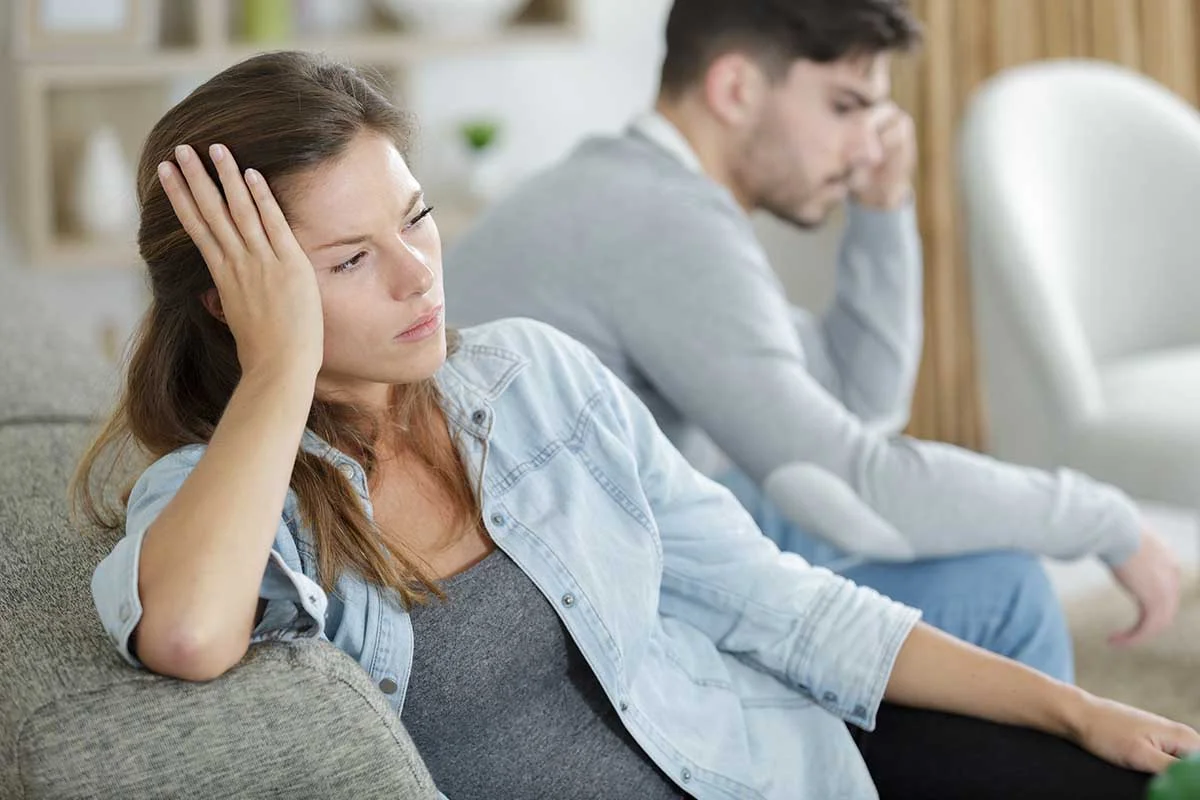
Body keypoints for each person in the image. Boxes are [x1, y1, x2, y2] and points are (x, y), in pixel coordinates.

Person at [77, 51, 1198, 800]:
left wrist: (1078, 702)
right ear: (242, 297)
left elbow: (776, 600)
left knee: (1122, 768)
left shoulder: (532, 376)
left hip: (767, 767)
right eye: (352, 260)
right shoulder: (214, 496)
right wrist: (282, 369)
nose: (422, 275)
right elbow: (185, 634)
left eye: (415, 217)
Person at [443, 0, 1182, 683]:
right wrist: (1102, 516)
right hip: (571, 611)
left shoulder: (635, 189)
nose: (867, 146)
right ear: (735, 89)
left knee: (856, 511)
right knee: (1003, 591)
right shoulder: (665, 224)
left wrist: (882, 209)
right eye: (844, 106)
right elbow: (855, 493)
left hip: (595, 548)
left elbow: (859, 405)